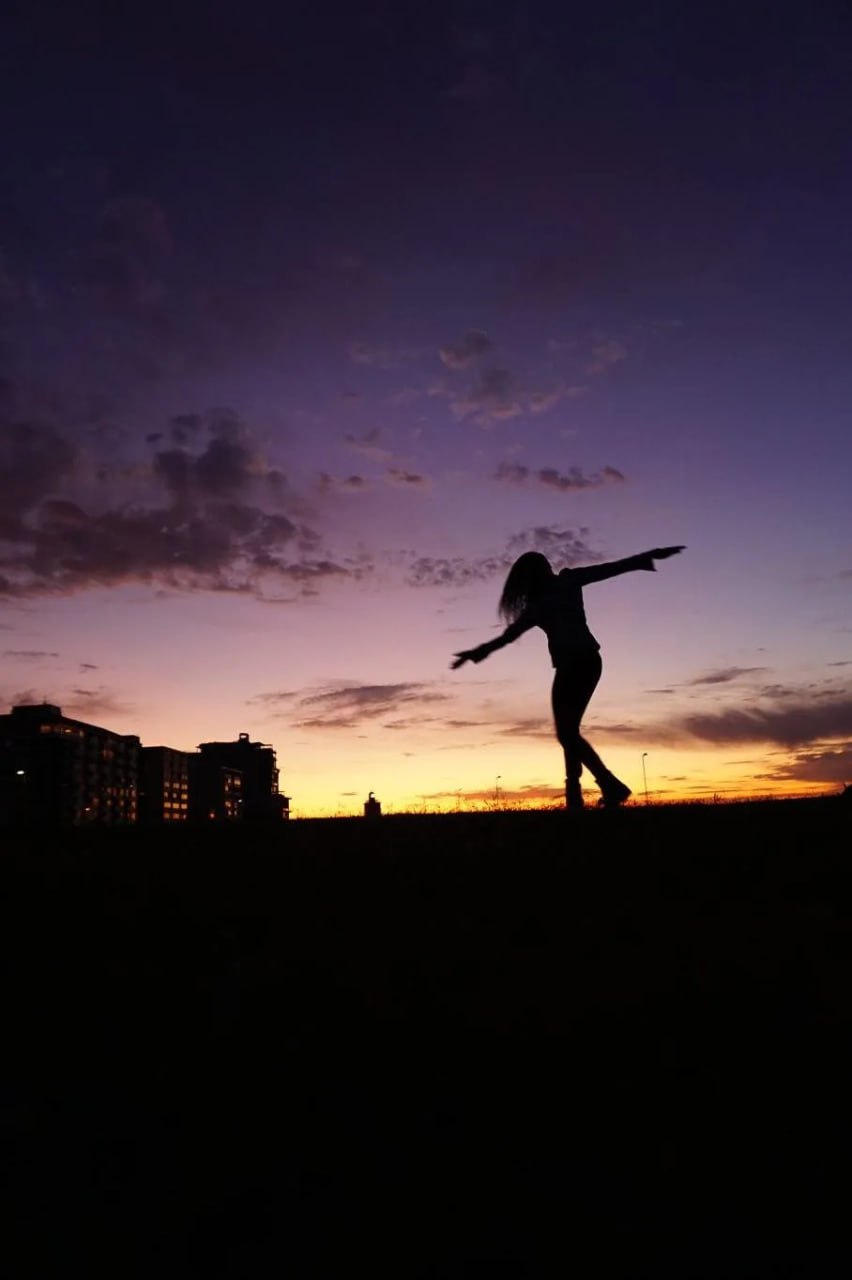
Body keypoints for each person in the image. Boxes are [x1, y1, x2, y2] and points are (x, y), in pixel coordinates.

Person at [451, 546, 685, 809]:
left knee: (567, 732)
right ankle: (579, 794)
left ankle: (606, 786)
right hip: (584, 663)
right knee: (568, 732)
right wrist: (643, 559)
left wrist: (477, 653)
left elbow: (607, 570)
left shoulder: (548, 596)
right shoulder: (558, 589)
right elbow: (609, 569)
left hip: (577, 665)